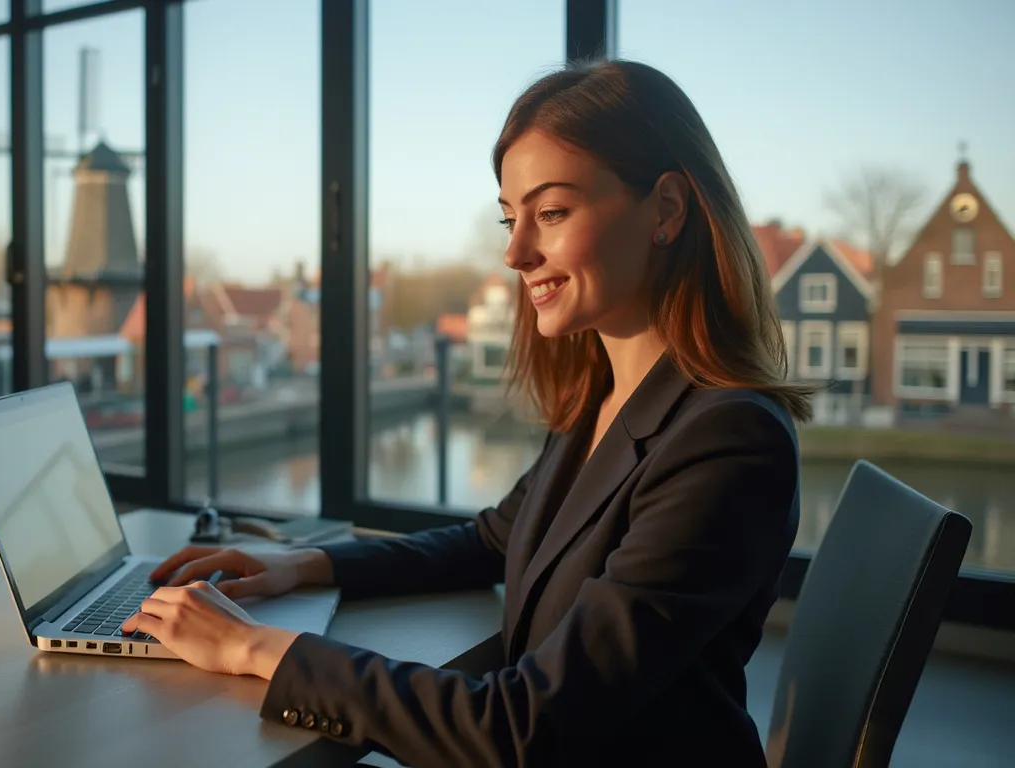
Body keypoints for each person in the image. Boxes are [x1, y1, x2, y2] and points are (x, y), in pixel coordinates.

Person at [120, 59, 812, 767]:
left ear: (666, 209)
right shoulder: (606, 399)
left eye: (550, 213)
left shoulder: (730, 441)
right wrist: (302, 565)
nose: (515, 252)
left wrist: (250, 646)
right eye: (511, 218)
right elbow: (492, 540)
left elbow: (520, 728)